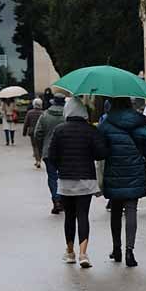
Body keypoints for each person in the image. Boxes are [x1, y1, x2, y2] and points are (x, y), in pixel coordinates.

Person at [48, 97, 107, 268]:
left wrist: (61, 166)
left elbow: (52, 156)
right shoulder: (90, 130)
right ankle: (83, 253)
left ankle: (69, 251)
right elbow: (101, 153)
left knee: (69, 216)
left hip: (66, 179)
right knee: (83, 215)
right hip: (86, 179)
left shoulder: (59, 130)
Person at [98, 98, 146, 267]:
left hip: (114, 171)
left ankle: (117, 249)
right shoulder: (138, 121)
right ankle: (130, 252)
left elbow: (100, 147)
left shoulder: (107, 122)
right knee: (131, 211)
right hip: (134, 170)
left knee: (115, 211)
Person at [33, 94, 65, 214]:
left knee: (52, 177)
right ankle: (63, 199)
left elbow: (37, 133)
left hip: (48, 151)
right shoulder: (67, 115)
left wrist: (42, 147)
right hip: (65, 152)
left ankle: (56, 199)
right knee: (63, 176)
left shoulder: (45, 115)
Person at [23, 98, 45, 168]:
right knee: (40, 146)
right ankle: (39, 159)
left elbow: (26, 123)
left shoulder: (30, 112)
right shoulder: (43, 113)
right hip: (41, 131)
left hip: (32, 131)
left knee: (35, 146)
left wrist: (24, 131)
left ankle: (37, 160)